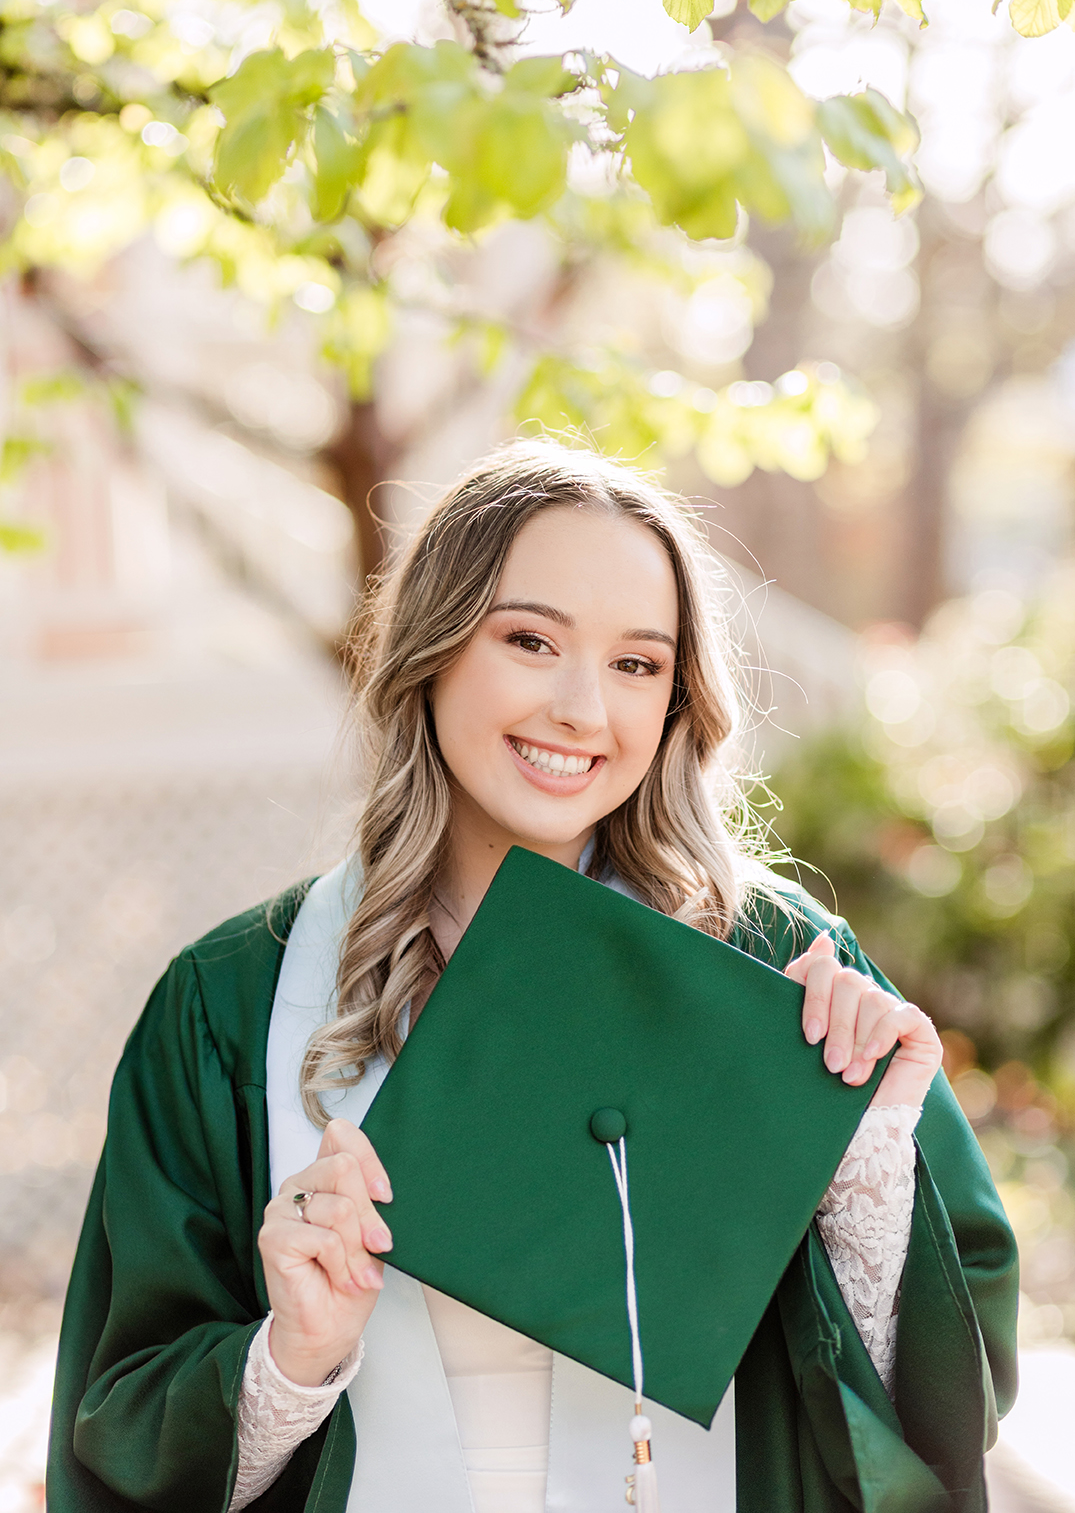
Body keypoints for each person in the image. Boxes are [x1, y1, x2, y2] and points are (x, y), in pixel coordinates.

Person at [48, 441, 1017, 1513]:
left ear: (675, 699)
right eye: (528, 639)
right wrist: (290, 1357)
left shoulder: (777, 974)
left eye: (636, 663)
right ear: (434, 647)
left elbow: (948, 1406)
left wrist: (865, 1163)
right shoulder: (235, 1004)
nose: (579, 708)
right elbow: (118, 1427)